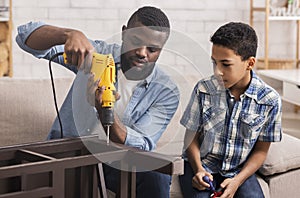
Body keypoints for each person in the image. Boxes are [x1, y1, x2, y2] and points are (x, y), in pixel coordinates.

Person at [16, 6, 179, 198]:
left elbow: (142, 145)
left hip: (117, 162)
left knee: (156, 175)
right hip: (71, 153)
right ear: (124, 32)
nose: (142, 53)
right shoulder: (97, 55)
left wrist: (105, 112)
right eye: (135, 41)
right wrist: (69, 35)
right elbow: (24, 37)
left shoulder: (166, 91)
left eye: (152, 49)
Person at [179, 22, 282, 198]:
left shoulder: (269, 100)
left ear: (249, 63)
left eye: (225, 64)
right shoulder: (203, 89)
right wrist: (198, 170)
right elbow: (191, 138)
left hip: (238, 169)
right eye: (214, 63)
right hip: (201, 165)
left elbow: (261, 151)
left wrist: (237, 181)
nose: (217, 71)